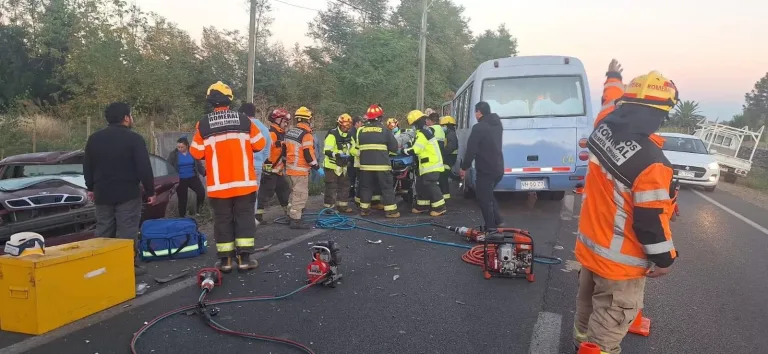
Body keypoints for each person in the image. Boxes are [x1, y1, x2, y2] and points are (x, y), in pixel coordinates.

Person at [573, 61, 679, 354]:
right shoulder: (652, 163)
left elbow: (610, 98)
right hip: (620, 266)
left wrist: (613, 76)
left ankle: (581, 344)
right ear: (661, 114)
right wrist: (665, 260)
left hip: (590, 250)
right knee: (608, 324)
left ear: (627, 103)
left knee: (586, 311)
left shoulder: (604, 123)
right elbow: (650, 222)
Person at [190, 81, 266, 273]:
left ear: (210, 101)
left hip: (219, 186)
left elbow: (196, 152)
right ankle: (244, 260)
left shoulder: (203, 124)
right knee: (244, 218)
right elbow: (259, 144)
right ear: (230, 99)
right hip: (244, 183)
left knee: (223, 220)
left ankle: (225, 262)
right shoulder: (244, 120)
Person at [83, 102, 156, 276]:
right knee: (127, 230)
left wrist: (91, 187)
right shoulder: (134, 139)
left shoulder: (94, 138)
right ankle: (126, 266)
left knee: (103, 230)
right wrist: (150, 191)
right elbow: (144, 167)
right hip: (128, 193)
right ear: (125, 118)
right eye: (130, 115)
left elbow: (87, 165)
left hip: (102, 193)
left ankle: (101, 266)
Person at [460, 101, 504, 230]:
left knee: (483, 198)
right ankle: (498, 220)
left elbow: (471, 149)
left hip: (485, 169)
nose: (475, 114)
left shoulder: (479, 128)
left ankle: (491, 230)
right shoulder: (498, 125)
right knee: (488, 194)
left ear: (479, 112)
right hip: (499, 168)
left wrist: (464, 168)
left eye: (475, 112)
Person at [354, 104, 399, 217]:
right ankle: (391, 211)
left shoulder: (361, 131)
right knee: (386, 187)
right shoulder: (385, 131)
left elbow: (357, 147)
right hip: (382, 166)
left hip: (365, 167)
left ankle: (364, 210)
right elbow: (394, 148)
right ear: (380, 118)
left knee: (366, 187)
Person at [284, 106, 321, 229]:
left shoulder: (290, 132)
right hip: (300, 170)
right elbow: (308, 154)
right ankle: (296, 220)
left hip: (289, 169)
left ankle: (290, 215)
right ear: (308, 120)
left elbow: (284, 151)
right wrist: (316, 166)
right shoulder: (306, 135)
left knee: (294, 193)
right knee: (300, 195)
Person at [403, 110, 446, 216]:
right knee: (420, 185)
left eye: (413, 125)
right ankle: (422, 206)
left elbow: (416, 150)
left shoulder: (423, 134)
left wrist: (404, 150)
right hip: (426, 165)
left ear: (416, 124)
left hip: (431, 165)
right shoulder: (423, 132)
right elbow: (415, 143)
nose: (412, 127)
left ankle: (440, 207)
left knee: (431, 185)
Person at [254, 108, 292, 224]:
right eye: (285, 121)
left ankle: (290, 214)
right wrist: (266, 169)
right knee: (265, 193)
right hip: (270, 171)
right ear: (278, 120)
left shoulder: (281, 133)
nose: (286, 123)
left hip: (278, 171)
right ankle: (257, 216)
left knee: (284, 191)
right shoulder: (272, 133)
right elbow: (266, 151)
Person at [238, 103, 273, 223]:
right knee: (253, 194)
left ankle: (240, 219)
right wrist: (261, 162)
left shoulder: (242, 126)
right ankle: (251, 219)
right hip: (257, 167)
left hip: (243, 166)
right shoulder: (264, 128)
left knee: (240, 193)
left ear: (242, 113)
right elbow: (268, 148)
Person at [167, 137, 206, 217]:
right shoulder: (174, 154)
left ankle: (199, 211)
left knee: (201, 192)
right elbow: (168, 166)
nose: (180, 149)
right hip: (181, 179)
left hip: (193, 177)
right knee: (182, 199)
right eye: (178, 147)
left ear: (187, 146)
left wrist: (204, 172)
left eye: (182, 147)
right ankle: (182, 216)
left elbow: (198, 164)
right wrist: (170, 178)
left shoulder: (193, 153)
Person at [323, 113, 354, 212]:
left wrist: (359, 153)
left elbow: (352, 149)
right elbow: (326, 151)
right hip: (332, 166)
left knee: (345, 185)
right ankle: (329, 208)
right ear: (340, 124)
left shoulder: (349, 135)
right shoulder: (332, 134)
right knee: (331, 187)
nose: (347, 128)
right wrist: (337, 154)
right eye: (345, 125)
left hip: (343, 166)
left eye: (349, 125)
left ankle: (342, 206)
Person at [439, 115, 459, 200]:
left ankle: (445, 195)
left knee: (443, 176)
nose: (442, 127)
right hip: (449, 158)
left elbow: (450, 147)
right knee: (444, 175)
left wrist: (441, 152)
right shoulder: (449, 133)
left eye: (443, 126)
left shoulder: (451, 134)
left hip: (449, 158)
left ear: (447, 125)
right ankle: (444, 194)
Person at [348, 116, 364, 202]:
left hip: (354, 159)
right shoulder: (353, 133)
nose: (362, 124)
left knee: (353, 178)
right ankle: (351, 195)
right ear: (357, 123)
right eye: (361, 123)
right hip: (352, 159)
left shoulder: (355, 132)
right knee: (352, 178)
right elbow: (352, 147)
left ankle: (351, 195)